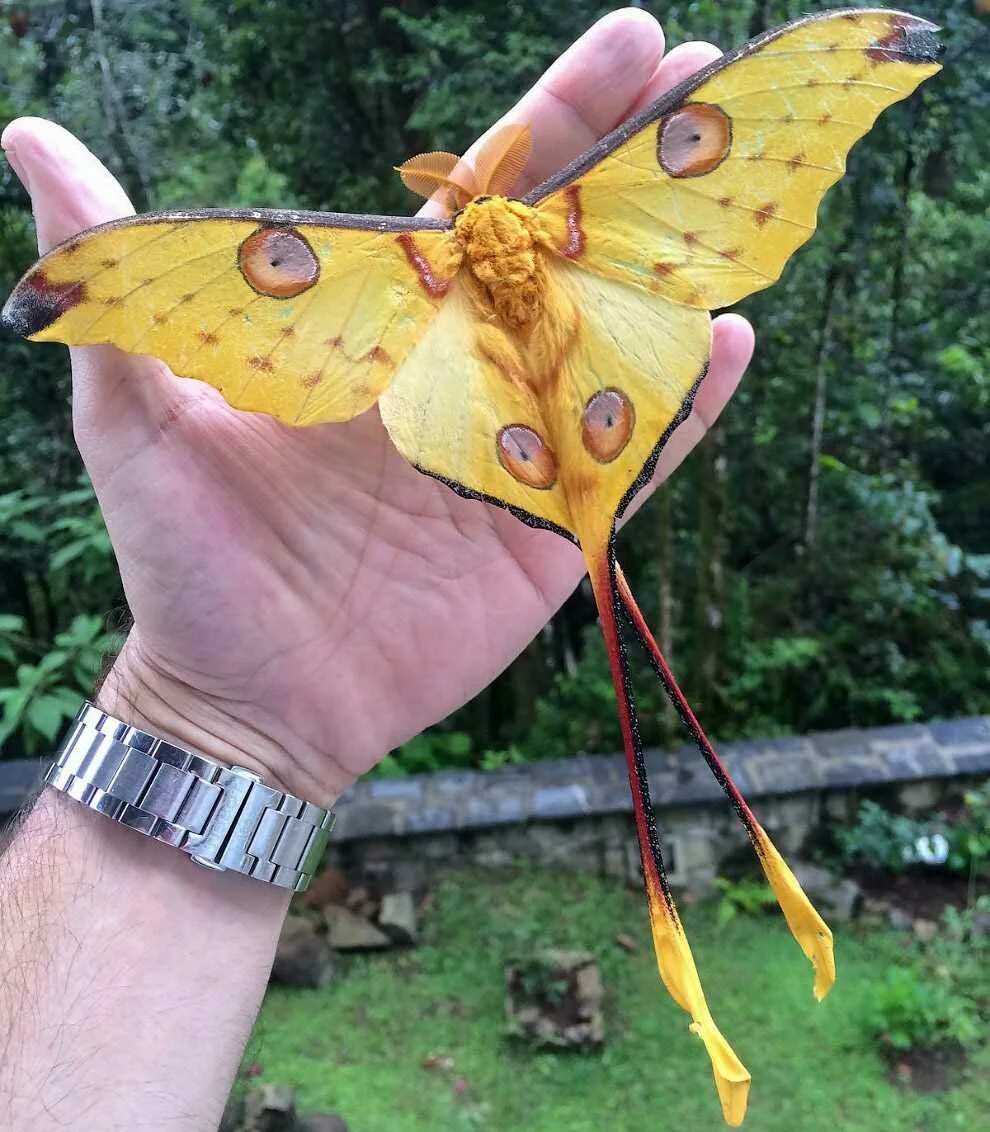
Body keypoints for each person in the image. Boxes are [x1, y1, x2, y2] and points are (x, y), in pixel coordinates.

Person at [0, 10, 753, 1130]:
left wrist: (216, 727)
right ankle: (716, 958)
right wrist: (216, 723)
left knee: (608, 568)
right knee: (610, 577)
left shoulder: (445, 256)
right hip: (512, 397)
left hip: (590, 364)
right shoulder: (431, 263)